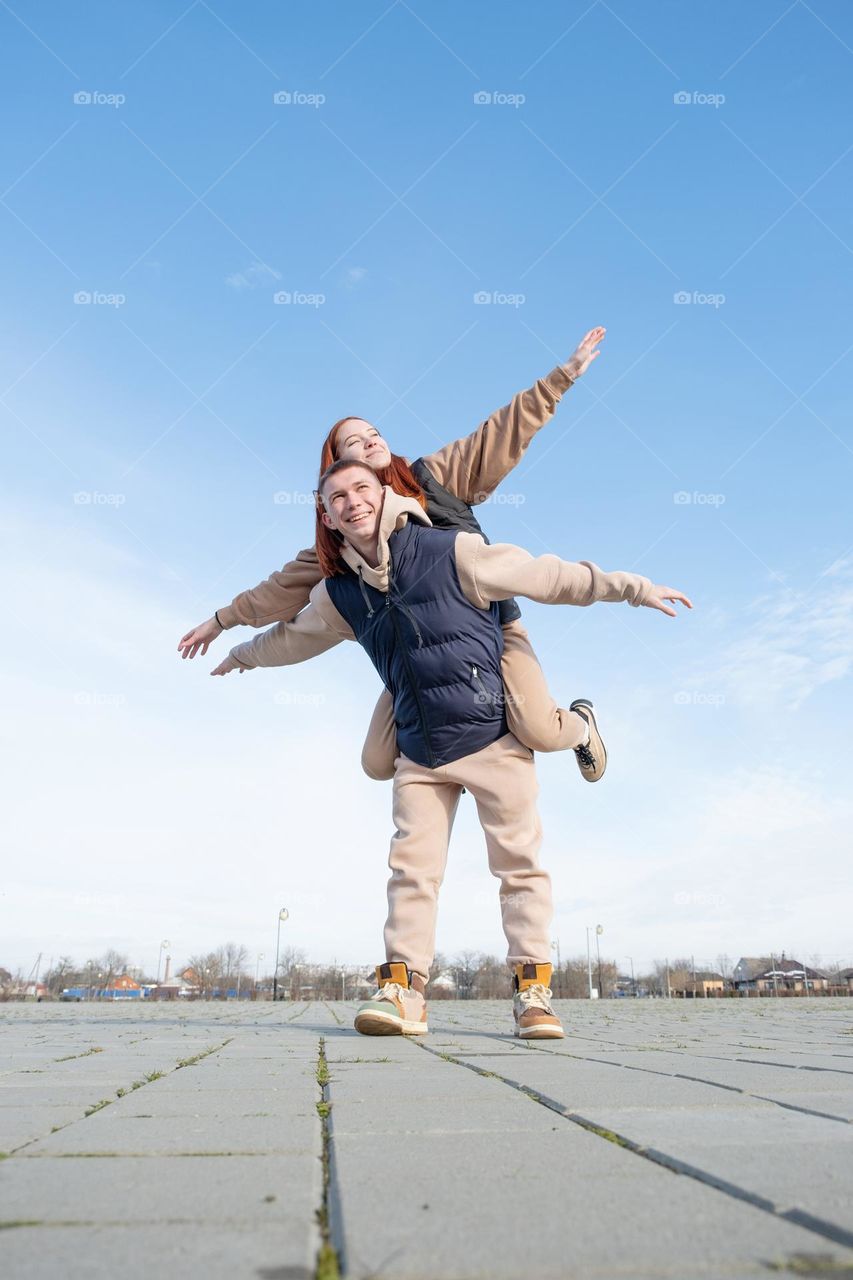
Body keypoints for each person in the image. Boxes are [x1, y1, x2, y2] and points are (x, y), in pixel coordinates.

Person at [211, 461, 692, 1038]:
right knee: (411, 871)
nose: (351, 502)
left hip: (493, 734)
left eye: (362, 488)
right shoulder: (340, 594)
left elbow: (553, 577)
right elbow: (292, 638)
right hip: (420, 748)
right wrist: (242, 655)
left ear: (385, 494)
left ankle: (533, 993)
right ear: (326, 514)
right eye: (336, 497)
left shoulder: (452, 551)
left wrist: (635, 589)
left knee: (518, 868)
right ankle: (403, 993)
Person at [180, 328, 610, 782]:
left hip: (491, 628)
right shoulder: (341, 537)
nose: (370, 441)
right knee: (377, 762)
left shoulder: (434, 477)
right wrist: (223, 622)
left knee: (539, 729)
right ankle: (449, 753)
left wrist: (562, 378)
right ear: (338, 469)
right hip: (414, 655)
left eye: (374, 433)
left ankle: (582, 726)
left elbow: (499, 433)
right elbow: (280, 591)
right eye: (354, 443)